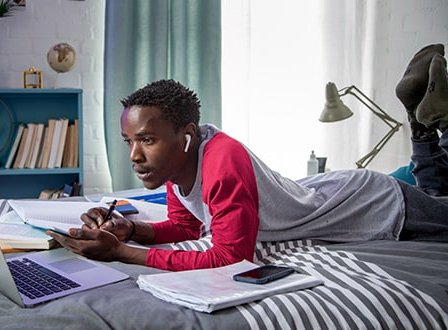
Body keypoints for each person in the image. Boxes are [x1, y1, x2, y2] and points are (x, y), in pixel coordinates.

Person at [48, 45, 448, 272]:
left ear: (185, 136)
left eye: (147, 140)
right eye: (129, 141)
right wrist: (132, 232)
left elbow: (229, 256)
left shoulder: (223, 160)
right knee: (434, 188)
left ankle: (427, 124)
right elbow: (188, 225)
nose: (135, 155)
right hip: (336, 192)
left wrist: (120, 253)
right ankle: (423, 124)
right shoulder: (175, 164)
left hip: (368, 203)